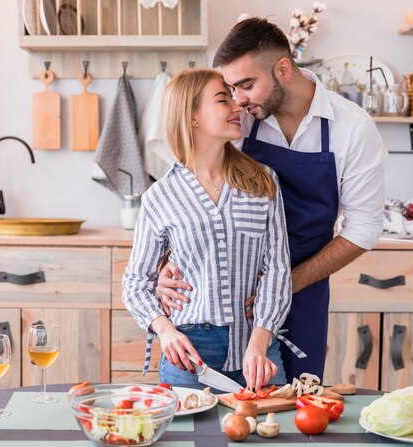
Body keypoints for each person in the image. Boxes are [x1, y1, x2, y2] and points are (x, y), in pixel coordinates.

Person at [156, 18, 386, 380]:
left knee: (294, 403)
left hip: (305, 285)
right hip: (228, 290)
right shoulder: (241, 121)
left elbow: (364, 228)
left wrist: (284, 284)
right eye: (231, 89)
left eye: (246, 85)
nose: (238, 99)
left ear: (283, 69)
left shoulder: (352, 128)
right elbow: (191, 190)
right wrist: (167, 262)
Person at [122, 68, 294, 391]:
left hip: (258, 347)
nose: (237, 106)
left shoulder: (262, 182)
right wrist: (165, 330)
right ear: (192, 118)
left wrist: (259, 342)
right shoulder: (160, 197)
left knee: (273, 438)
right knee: (188, 442)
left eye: (233, 97)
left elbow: (278, 270)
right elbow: (135, 283)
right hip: (189, 355)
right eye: (222, 99)